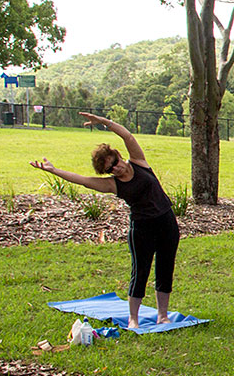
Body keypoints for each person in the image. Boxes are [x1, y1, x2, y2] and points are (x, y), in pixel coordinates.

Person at [30, 112, 179, 328]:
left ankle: (162, 316)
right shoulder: (113, 184)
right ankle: (133, 319)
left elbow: (127, 136)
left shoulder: (138, 162)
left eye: (115, 162)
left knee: (165, 267)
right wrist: (54, 171)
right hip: (142, 228)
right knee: (140, 271)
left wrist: (104, 122)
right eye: (110, 169)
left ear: (118, 155)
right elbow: (83, 181)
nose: (116, 168)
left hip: (166, 221)